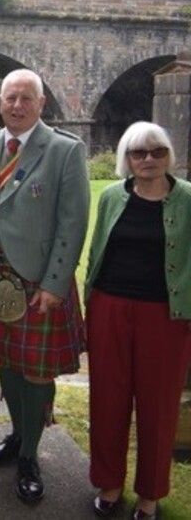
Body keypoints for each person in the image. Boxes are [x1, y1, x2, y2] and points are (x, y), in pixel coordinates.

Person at [0, 68, 88, 504]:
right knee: (6, 360)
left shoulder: (64, 150)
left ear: (41, 104)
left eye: (25, 99)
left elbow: (72, 222)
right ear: (0, 102)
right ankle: (17, 434)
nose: (17, 106)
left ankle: (31, 455)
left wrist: (54, 283)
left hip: (37, 280)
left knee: (36, 369)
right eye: (10, 98)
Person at [85, 121, 191, 520]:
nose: (148, 159)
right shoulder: (112, 197)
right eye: (139, 153)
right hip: (109, 308)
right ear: (126, 159)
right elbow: (97, 252)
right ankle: (109, 484)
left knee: (158, 407)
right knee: (108, 401)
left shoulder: (188, 200)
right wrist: (89, 306)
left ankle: (150, 495)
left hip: (165, 317)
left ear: (169, 156)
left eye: (157, 151)